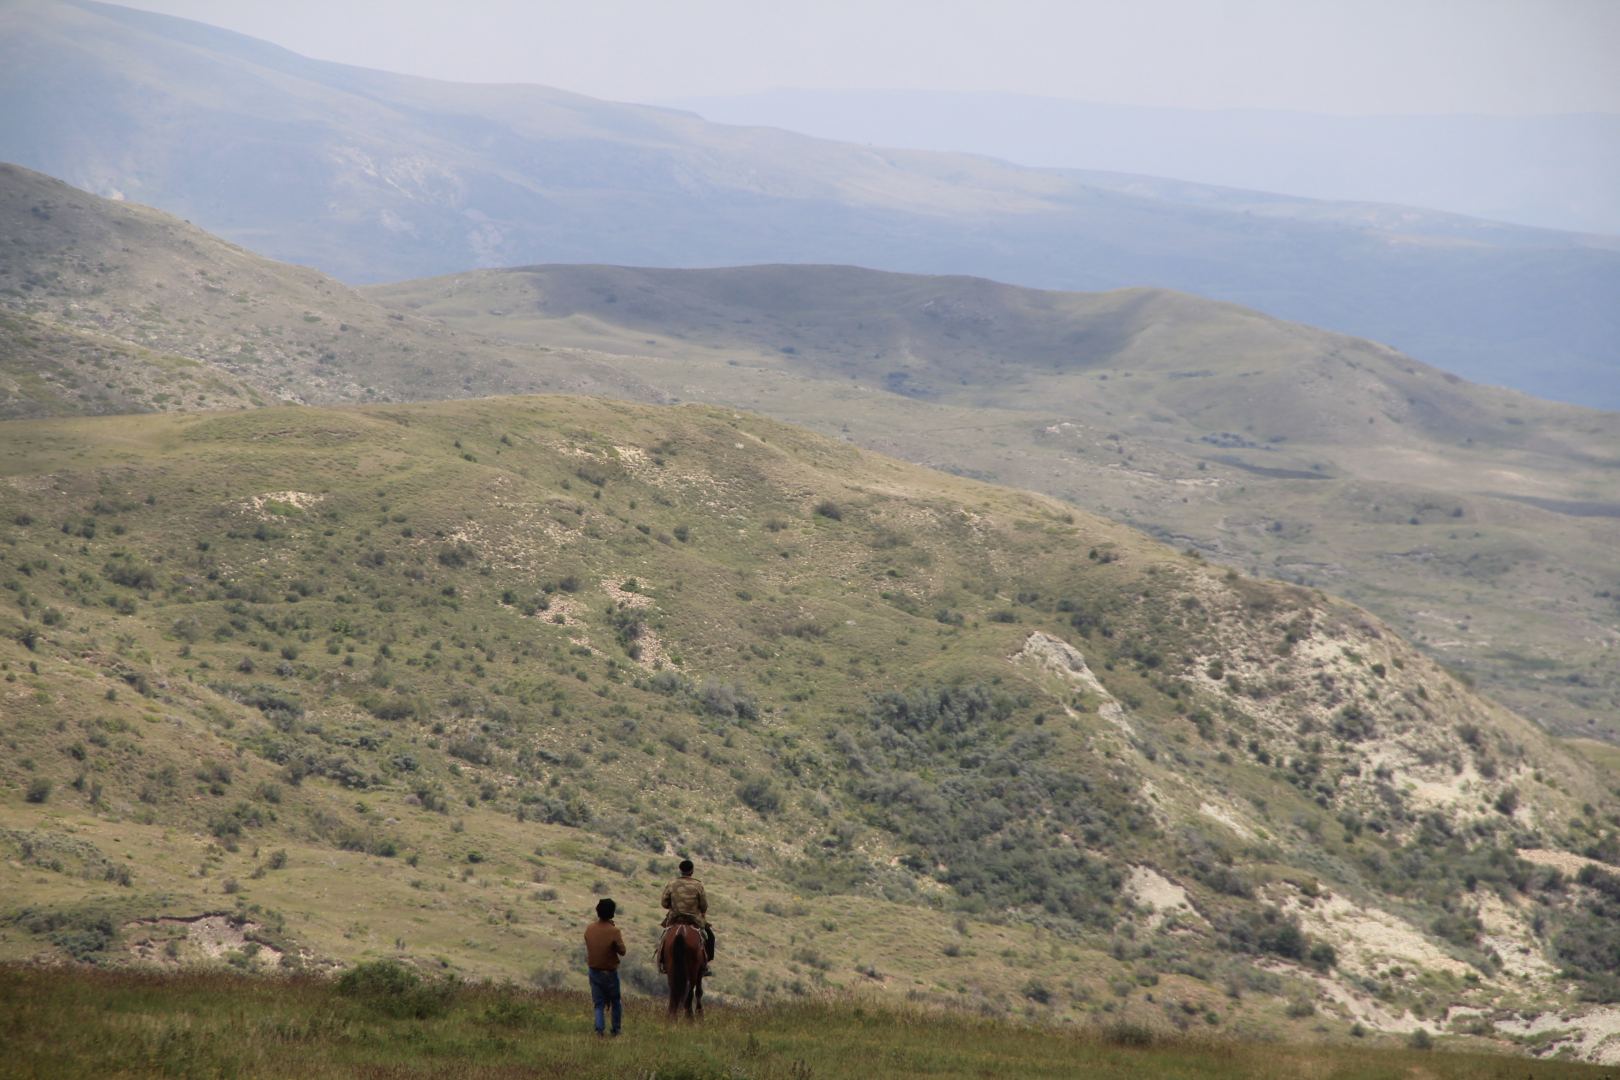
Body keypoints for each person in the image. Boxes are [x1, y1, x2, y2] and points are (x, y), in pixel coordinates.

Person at [659, 858, 714, 965]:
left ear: (680, 870)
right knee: (710, 937)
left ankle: (662, 961)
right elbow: (704, 906)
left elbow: (664, 903)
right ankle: (706, 965)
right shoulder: (698, 885)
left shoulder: (671, 884)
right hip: (694, 920)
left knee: (663, 938)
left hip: (675, 918)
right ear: (692, 871)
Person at [584, 897, 626, 1037]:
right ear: (612, 913)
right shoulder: (614, 931)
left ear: (598, 912)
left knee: (598, 1003)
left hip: (594, 971)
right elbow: (623, 951)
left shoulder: (589, 929)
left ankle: (599, 1030)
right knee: (615, 1002)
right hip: (610, 973)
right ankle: (616, 1030)